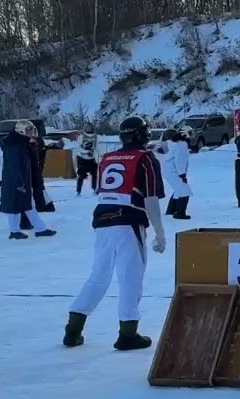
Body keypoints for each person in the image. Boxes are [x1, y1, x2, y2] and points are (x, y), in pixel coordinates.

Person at [62, 115, 167, 350]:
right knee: (131, 278)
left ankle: (73, 328)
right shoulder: (146, 158)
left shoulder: (107, 158)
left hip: (102, 220)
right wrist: (160, 232)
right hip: (129, 220)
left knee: (98, 276)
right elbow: (150, 199)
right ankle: (128, 333)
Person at [0, 121, 56, 239]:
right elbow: (14, 166)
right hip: (16, 181)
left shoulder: (22, 143)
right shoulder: (14, 145)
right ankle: (19, 231)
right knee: (18, 206)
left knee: (27, 205)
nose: (31, 133)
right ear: (21, 131)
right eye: (28, 131)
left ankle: (38, 229)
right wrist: (20, 182)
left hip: (22, 180)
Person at [163, 128, 192, 218]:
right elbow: (180, 160)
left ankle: (170, 210)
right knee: (185, 191)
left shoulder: (169, 144)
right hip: (175, 171)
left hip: (168, 170)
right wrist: (182, 174)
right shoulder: (181, 145)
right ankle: (180, 213)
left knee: (178, 190)